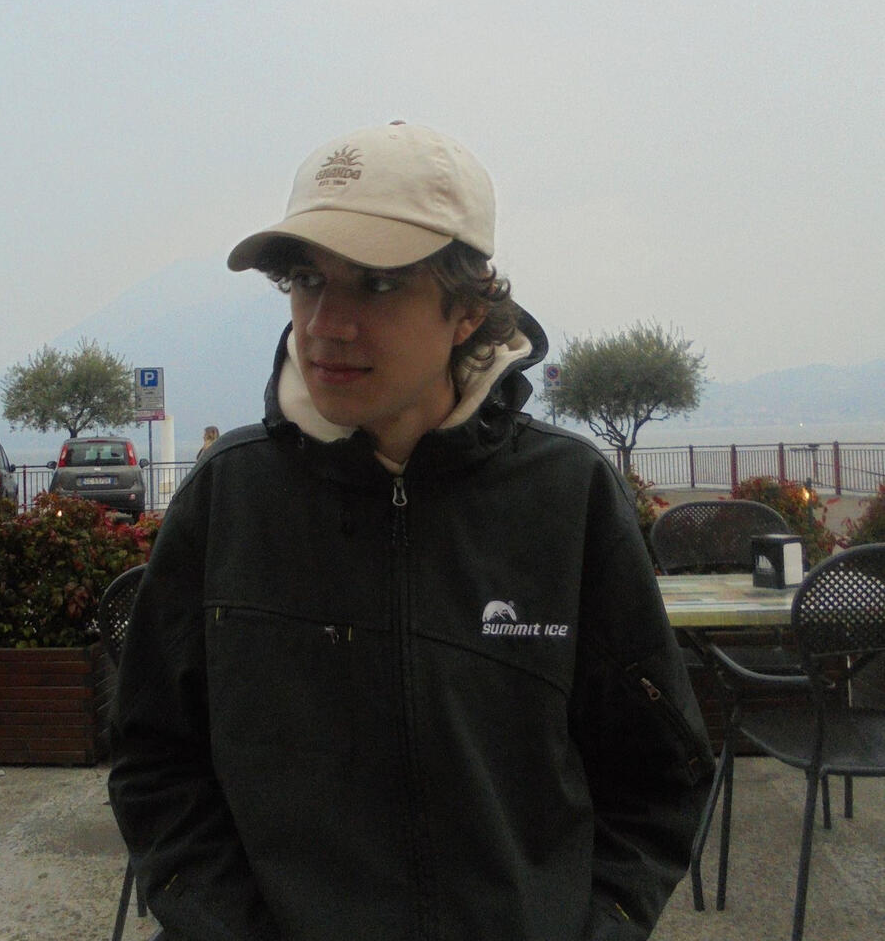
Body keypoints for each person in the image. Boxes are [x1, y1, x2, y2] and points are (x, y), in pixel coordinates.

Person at [108, 121, 714, 940]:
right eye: (306, 280)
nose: (326, 323)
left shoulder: (568, 496)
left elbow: (657, 772)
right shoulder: (228, 494)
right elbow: (154, 758)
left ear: (468, 309)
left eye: (378, 284)